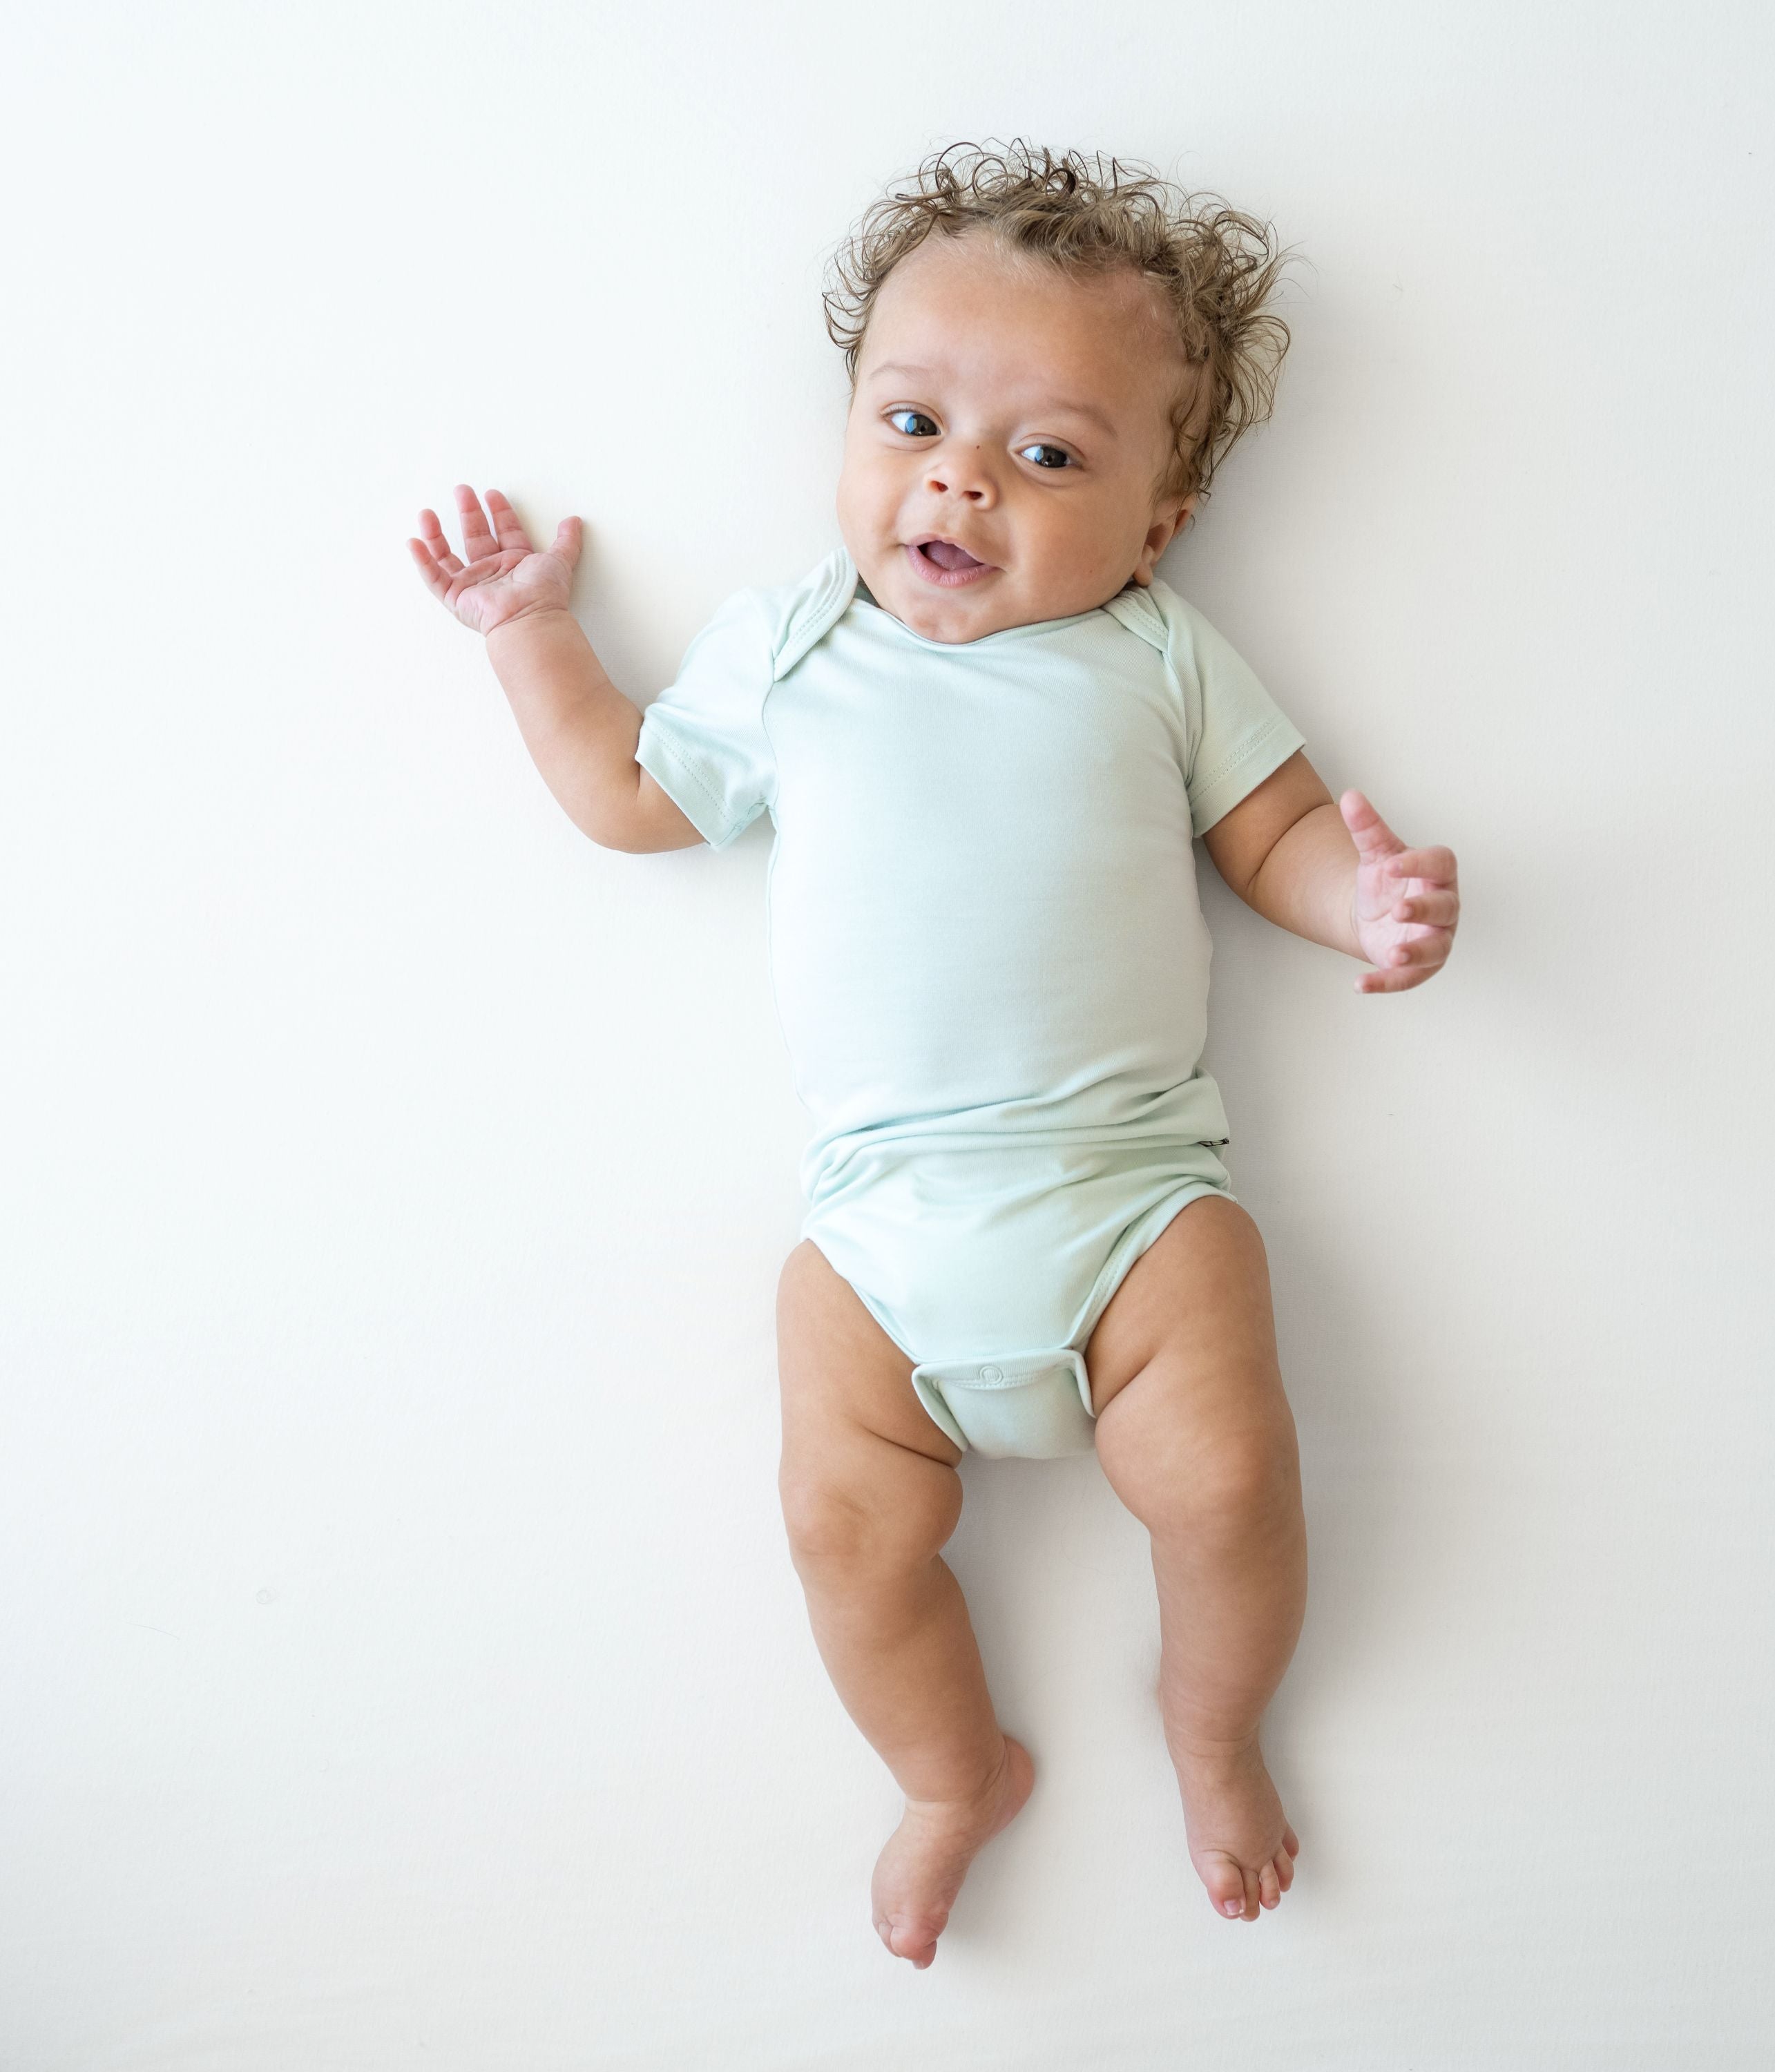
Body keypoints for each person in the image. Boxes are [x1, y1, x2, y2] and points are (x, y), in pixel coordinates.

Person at [408, 140, 1460, 1971]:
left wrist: (1357, 904)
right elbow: (634, 795)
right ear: (851, 436)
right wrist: (530, 640)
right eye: (912, 424)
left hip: (1133, 1207)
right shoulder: (794, 646)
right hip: (882, 1237)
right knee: (841, 1525)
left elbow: (1275, 830)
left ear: (1158, 524)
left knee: (1227, 1485)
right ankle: (949, 1774)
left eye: (1048, 455)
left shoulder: (1158, 655)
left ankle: (1213, 1729)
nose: (961, 477)